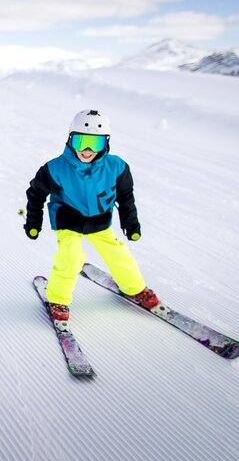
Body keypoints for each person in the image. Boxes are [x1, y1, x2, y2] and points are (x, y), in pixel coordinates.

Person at [23, 109, 160, 322]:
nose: (86, 150)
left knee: (118, 254)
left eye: (94, 144)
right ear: (70, 139)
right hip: (68, 218)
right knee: (70, 258)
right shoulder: (56, 168)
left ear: (105, 144)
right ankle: (58, 298)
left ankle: (135, 288)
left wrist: (130, 223)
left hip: (100, 219)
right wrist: (33, 222)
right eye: (81, 142)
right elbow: (36, 193)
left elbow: (125, 197)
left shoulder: (117, 167)